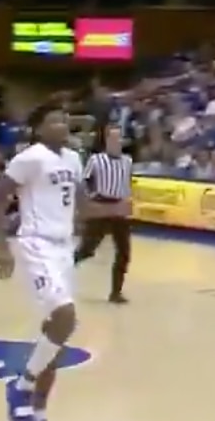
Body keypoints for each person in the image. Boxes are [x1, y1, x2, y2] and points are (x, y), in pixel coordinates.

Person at [0, 104, 86, 421]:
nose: (62, 125)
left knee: (54, 334)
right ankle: (21, 385)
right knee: (65, 317)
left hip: (65, 248)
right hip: (37, 244)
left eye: (65, 120)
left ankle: (36, 410)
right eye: (54, 121)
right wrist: (2, 247)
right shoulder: (30, 158)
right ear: (39, 129)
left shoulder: (73, 158)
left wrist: (115, 209)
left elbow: (81, 204)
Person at [74, 123, 134, 303]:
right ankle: (63, 267)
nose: (117, 141)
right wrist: (88, 203)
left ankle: (116, 292)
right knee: (87, 249)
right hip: (101, 203)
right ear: (106, 141)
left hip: (119, 207)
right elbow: (84, 182)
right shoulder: (96, 160)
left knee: (124, 251)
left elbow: (126, 182)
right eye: (113, 138)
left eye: (119, 138)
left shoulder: (128, 161)